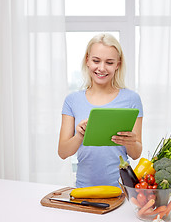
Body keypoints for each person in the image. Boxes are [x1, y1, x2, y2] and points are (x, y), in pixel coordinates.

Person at [58, 33, 143, 188]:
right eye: (96, 61)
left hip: (121, 189)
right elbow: (63, 152)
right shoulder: (72, 101)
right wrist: (80, 136)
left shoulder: (132, 99)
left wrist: (130, 141)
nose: (102, 68)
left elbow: (136, 153)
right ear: (87, 61)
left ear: (118, 64)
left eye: (109, 62)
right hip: (84, 189)